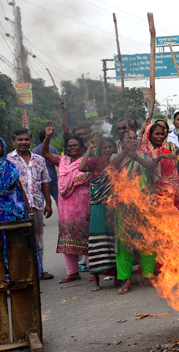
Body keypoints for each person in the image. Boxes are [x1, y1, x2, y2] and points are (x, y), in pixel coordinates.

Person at [41, 121, 91, 283]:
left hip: (83, 206)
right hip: (66, 209)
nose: (71, 148)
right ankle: (72, 272)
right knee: (67, 239)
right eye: (69, 146)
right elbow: (44, 152)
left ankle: (93, 271)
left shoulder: (88, 161)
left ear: (82, 148)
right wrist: (48, 136)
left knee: (88, 239)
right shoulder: (62, 161)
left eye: (75, 145)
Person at [110, 129, 156, 294]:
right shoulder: (116, 157)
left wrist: (135, 156)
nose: (132, 140)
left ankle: (148, 275)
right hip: (124, 206)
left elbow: (151, 168)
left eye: (134, 138)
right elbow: (112, 166)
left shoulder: (143, 156)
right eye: (128, 139)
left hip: (144, 204)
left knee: (148, 241)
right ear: (121, 142)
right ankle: (126, 280)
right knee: (124, 244)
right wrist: (125, 153)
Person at [8, 128, 54, 280]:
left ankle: (38, 270)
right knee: (19, 240)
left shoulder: (39, 159)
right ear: (13, 142)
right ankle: (23, 272)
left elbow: (45, 182)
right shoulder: (8, 160)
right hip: (17, 209)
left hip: (37, 205)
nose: (23, 142)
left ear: (30, 141)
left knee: (38, 239)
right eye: (20, 139)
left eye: (26, 139)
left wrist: (48, 203)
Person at [78, 136, 117, 291]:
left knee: (113, 242)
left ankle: (116, 276)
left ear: (115, 149)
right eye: (105, 147)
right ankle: (95, 278)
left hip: (113, 206)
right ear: (100, 149)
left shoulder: (116, 163)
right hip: (97, 207)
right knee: (96, 242)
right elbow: (81, 168)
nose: (108, 150)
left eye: (110, 147)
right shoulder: (95, 162)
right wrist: (89, 148)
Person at [0, 136, 28, 222]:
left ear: (3, 148)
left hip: (9, 209)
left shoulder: (11, 167)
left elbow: (20, 190)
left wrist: (29, 212)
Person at [139, 123, 179, 208]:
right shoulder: (142, 151)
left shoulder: (166, 152)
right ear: (149, 135)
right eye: (157, 134)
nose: (160, 137)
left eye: (162, 134)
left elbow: (172, 177)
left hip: (166, 194)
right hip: (147, 192)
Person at [32, 130, 59, 206]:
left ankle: (40, 217)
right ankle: (62, 216)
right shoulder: (53, 150)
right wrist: (59, 175)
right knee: (57, 198)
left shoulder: (34, 151)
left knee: (40, 201)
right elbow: (56, 165)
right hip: (52, 178)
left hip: (40, 180)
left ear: (39, 140)